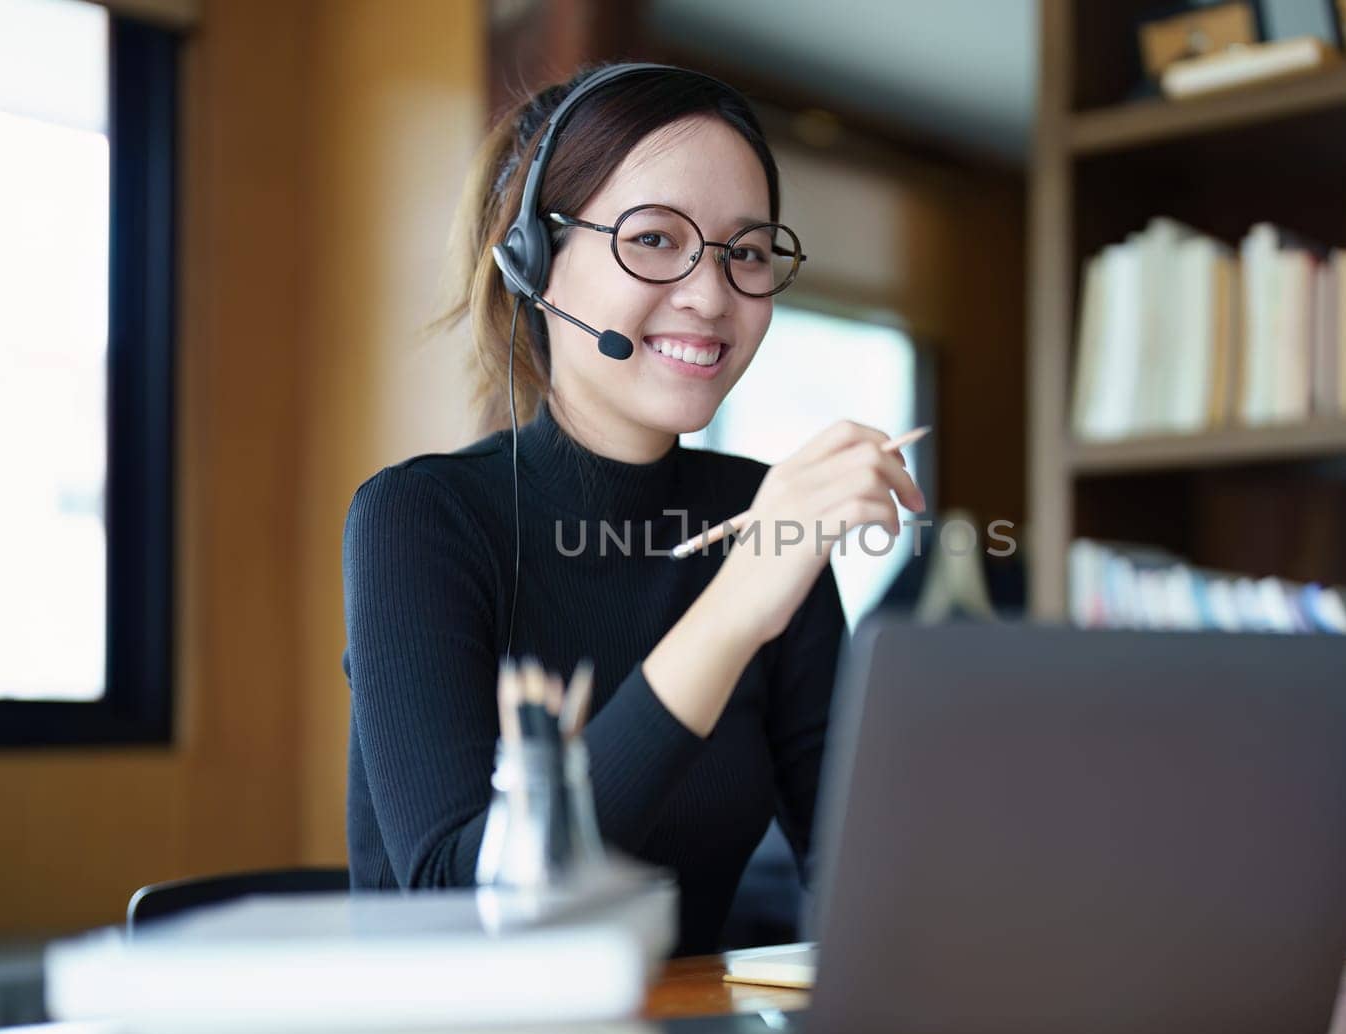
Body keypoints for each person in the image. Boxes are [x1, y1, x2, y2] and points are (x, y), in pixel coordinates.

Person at [340, 62, 926, 956]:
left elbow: (869, 884)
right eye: (654, 239)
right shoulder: (418, 519)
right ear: (534, 259)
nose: (711, 293)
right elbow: (467, 914)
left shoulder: (760, 512)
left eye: (748, 251)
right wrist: (732, 610)